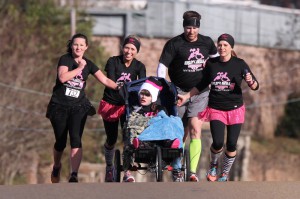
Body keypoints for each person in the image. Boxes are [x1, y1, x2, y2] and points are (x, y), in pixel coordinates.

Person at [177, 33, 259, 182]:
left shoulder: (240, 64)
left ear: (231, 47)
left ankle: (225, 173)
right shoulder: (212, 64)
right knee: (218, 142)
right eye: (219, 45)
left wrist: (251, 81)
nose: (222, 47)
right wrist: (186, 96)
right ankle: (213, 164)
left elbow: (255, 85)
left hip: (235, 108)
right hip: (216, 108)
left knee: (232, 144)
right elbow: (201, 85)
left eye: (225, 45)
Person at [46, 33, 119, 183]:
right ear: (71, 46)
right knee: (60, 141)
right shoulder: (65, 59)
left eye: (81, 45)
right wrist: (79, 68)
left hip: (78, 107)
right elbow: (62, 78)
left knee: (75, 138)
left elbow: (105, 79)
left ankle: (74, 174)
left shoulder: (89, 64)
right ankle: (57, 165)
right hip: (59, 105)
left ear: (86, 47)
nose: (78, 47)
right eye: (75, 44)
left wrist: (121, 87)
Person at [157, 10, 218, 182]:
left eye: (194, 28)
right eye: (188, 28)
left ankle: (191, 171)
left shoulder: (207, 42)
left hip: (200, 92)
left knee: (195, 129)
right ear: (183, 27)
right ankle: (177, 170)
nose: (191, 31)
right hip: (178, 92)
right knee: (180, 132)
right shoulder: (174, 43)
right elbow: (162, 67)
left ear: (199, 27)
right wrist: (165, 87)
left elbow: (217, 61)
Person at [97, 35, 146, 182]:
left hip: (128, 106)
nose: (129, 51)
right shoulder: (113, 61)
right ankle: (109, 167)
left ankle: (127, 171)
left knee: (128, 138)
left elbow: (141, 84)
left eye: (132, 49)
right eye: (126, 47)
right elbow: (110, 80)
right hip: (111, 103)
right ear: (122, 48)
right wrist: (120, 87)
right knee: (111, 139)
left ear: (136, 51)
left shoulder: (139, 66)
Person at [122, 77, 182, 182]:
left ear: (152, 97)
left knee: (169, 122)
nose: (143, 97)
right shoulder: (136, 110)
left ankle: (172, 146)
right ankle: (127, 171)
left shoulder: (160, 108)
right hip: (146, 140)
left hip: (161, 139)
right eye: (141, 93)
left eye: (147, 94)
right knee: (131, 127)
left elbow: (165, 121)